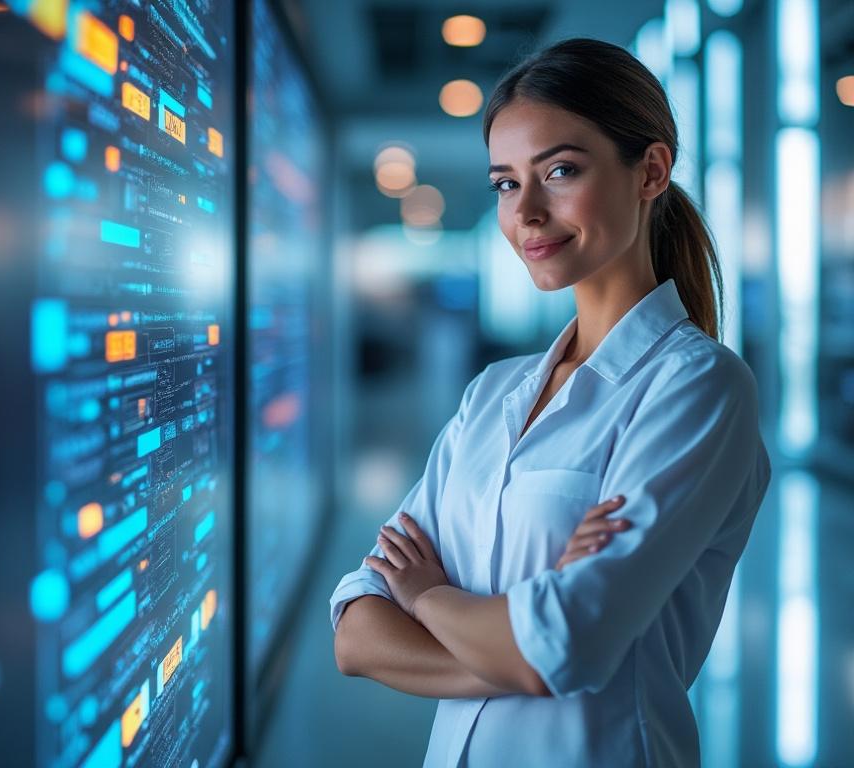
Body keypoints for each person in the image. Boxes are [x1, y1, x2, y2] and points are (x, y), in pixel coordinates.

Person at [329, 37, 771, 767]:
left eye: (560, 170)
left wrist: (429, 597)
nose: (527, 212)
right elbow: (355, 632)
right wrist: (517, 655)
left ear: (650, 171)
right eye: (506, 183)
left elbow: (564, 644)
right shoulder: (491, 395)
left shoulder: (698, 387)